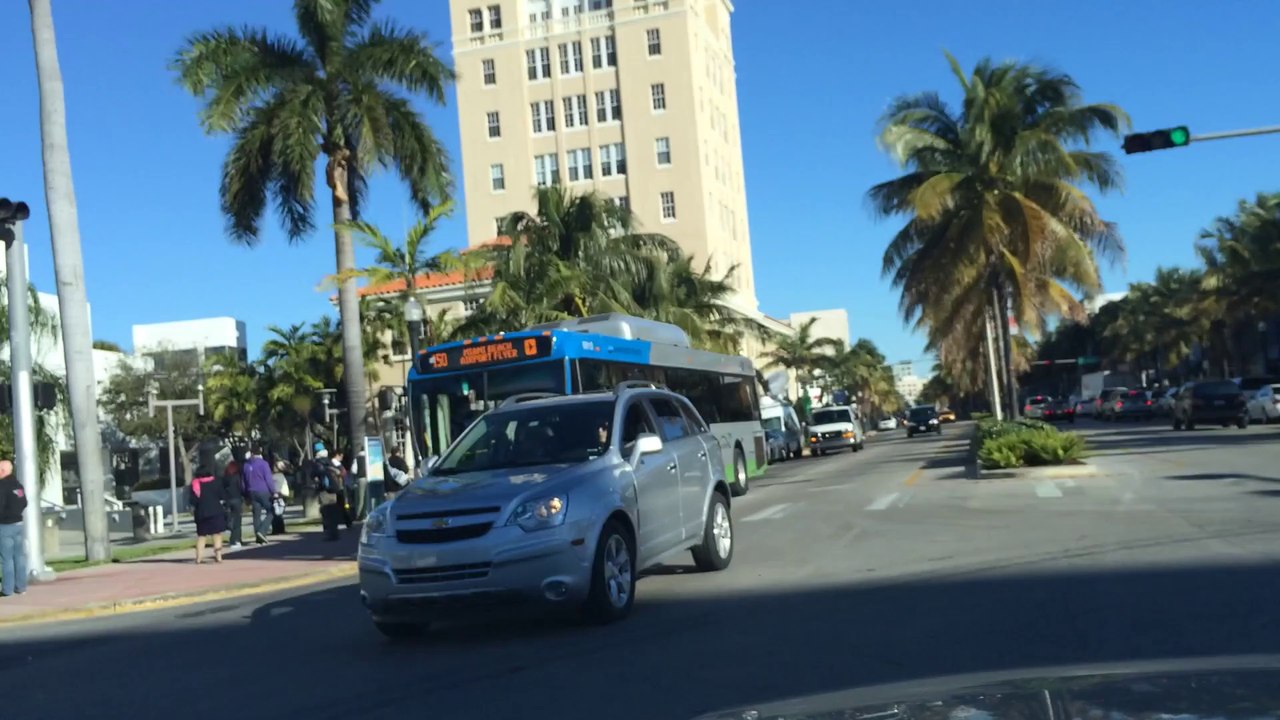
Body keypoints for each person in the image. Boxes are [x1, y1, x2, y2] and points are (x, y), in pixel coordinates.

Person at [0, 459, 29, 597]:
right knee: (19, 557)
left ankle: (7, 589)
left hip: (5, 526)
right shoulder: (18, 485)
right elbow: (24, 502)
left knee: (7, 559)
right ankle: (21, 587)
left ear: (2, 471)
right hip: (18, 524)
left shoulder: (2, 485)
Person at [187, 465, 227, 564]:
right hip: (216, 512)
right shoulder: (216, 482)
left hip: (202, 513)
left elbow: (193, 501)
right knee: (217, 535)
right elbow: (222, 495)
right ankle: (218, 556)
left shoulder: (195, 484)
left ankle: (199, 558)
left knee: (201, 536)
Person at [241, 446, 275, 545]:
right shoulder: (264, 464)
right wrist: (273, 491)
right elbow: (268, 479)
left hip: (251, 491)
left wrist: (245, 493)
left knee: (256, 514)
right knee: (271, 511)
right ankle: (262, 531)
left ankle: (258, 537)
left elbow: (243, 482)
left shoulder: (246, 465)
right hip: (263, 490)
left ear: (251, 453)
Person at [315, 447, 345, 541]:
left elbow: (314, 474)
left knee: (326, 512)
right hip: (333, 489)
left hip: (324, 490)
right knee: (333, 512)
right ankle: (335, 533)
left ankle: (329, 534)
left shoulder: (318, 463)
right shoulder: (330, 462)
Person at [221, 461, 244, 548]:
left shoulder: (224, 478)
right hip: (237, 499)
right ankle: (236, 539)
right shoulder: (237, 477)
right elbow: (241, 487)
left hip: (228, 500)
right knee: (237, 521)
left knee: (230, 518)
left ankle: (234, 538)